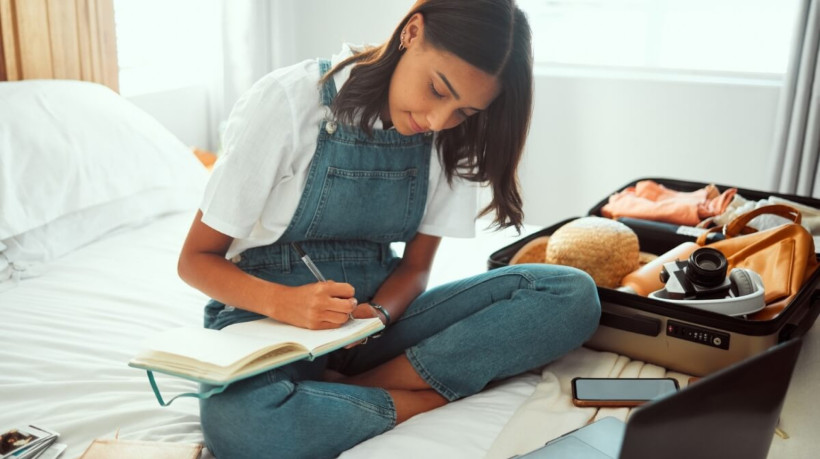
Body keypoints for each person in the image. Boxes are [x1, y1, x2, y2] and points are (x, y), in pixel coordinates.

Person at [177, 0, 601, 457]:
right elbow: (194, 261)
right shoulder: (287, 101)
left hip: (373, 328)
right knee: (245, 427)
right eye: (438, 90)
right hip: (267, 325)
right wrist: (287, 303)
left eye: (464, 112)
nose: (439, 121)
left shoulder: (448, 140)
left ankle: (360, 387)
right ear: (411, 32)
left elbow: (416, 270)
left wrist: (377, 315)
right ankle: (423, 399)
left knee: (571, 295)